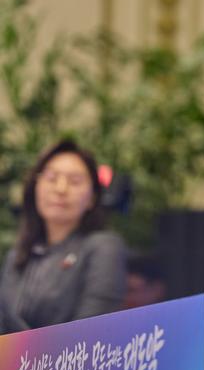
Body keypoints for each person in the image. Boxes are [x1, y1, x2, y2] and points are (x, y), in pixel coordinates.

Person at [0, 140, 126, 333]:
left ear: (92, 198)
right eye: (51, 178)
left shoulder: (103, 247)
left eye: (75, 181)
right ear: (35, 187)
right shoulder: (18, 254)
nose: (60, 189)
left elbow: (91, 334)